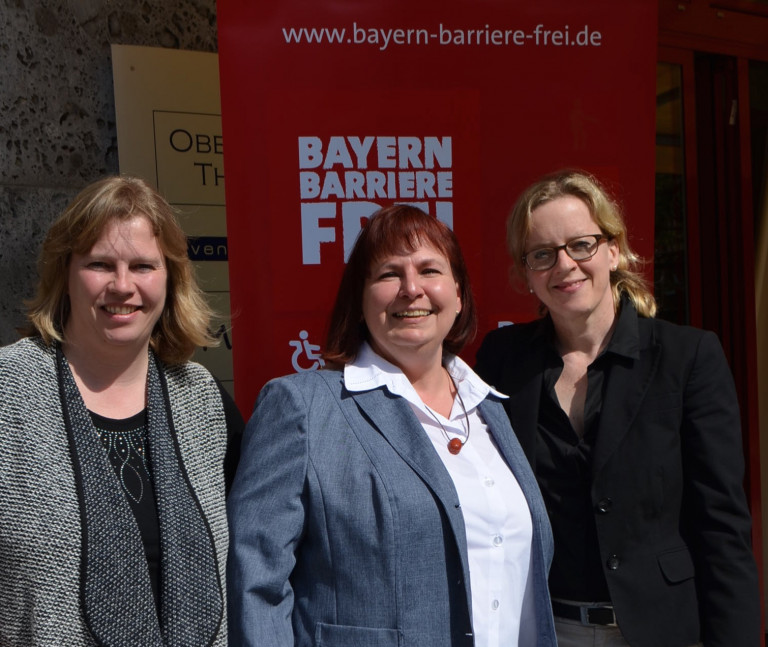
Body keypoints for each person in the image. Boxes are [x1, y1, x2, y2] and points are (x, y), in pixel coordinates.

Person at [227, 204, 557, 647]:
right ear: (360, 300)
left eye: (429, 270)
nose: (411, 289)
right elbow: (256, 581)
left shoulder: (491, 411)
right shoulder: (302, 407)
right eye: (388, 274)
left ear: (458, 294)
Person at [475, 170, 760, 647]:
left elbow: (722, 526)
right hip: (543, 628)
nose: (564, 264)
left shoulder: (686, 357)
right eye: (542, 254)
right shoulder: (503, 360)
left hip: (661, 630)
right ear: (526, 273)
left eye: (581, 245)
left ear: (613, 249)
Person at [0, 175, 243, 646]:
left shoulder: (204, 402)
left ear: (170, 278)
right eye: (100, 264)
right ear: (65, 274)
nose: (123, 285)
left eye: (143, 266)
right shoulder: (8, 393)